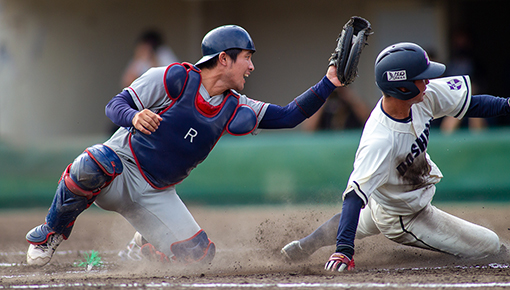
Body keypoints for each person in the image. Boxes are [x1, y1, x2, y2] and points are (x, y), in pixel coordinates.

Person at [25, 24, 344, 266]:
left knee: (199, 256)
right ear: (224, 58)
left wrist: (327, 83)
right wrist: (134, 117)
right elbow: (115, 105)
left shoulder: (235, 107)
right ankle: (50, 232)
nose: (251, 66)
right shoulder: (172, 79)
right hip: (120, 170)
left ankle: (144, 244)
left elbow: (289, 116)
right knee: (89, 165)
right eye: (246, 58)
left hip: (157, 194)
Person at [281, 42, 509, 272]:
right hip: (405, 217)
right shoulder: (380, 140)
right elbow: (353, 197)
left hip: (387, 199)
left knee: (360, 220)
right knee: (490, 245)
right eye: (422, 77)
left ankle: (302, 247)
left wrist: (507, 105)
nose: (428, 81)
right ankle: (326, 246)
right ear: (403, 88)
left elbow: (472, 104)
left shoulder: (421, 96)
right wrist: (344, 251)